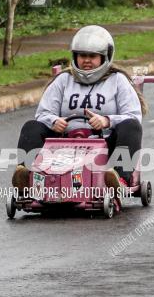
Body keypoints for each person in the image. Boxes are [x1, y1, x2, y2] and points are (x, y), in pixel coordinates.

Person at [11, 25, 147, 192]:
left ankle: (120, 179)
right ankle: (26, 176)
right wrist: (54, 121)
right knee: (31, 126)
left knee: (131, 126)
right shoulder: (63, 80)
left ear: (105, 57)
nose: (87, 60)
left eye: (92, 56)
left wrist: (106, 121)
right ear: (75, 57)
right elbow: (43, 113)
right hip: (63, 144)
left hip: (105, 143)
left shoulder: (118, 80)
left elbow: (133, 116)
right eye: (82, 55)